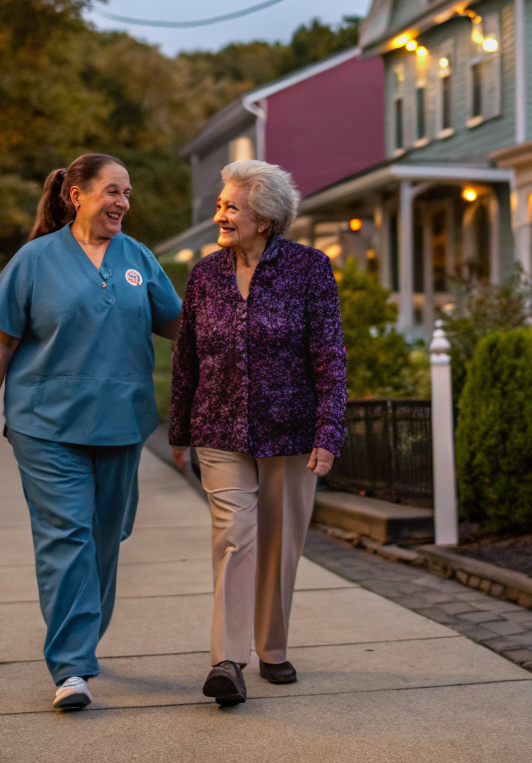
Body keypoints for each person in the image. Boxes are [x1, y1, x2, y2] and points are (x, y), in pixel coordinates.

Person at [0, 153, 182, 711]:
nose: (122, 202)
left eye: (127, 193)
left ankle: (82, 639)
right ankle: (71, 666)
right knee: (68, 537)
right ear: (76, 195)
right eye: (112, 190)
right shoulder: (35, 260)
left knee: (105, 538)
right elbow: (1, 346)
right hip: (46, 424)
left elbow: (180, 325)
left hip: (122, 421)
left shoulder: (138, 258)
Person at [170, 159, 347, 706]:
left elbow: (329, 354)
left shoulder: (309, 269)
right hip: (218, 427)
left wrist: (329, 429)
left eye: (231, 207)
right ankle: (228, 659)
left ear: (265, 218)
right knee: (234, 536)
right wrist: (178, 429)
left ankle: (273, 647)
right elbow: (187, 356)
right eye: (220, 205)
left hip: (290, 431)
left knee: (280, 543)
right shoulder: (205, 275)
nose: (219, 216)